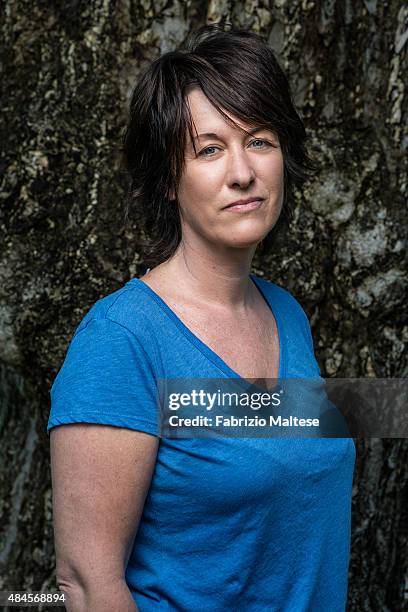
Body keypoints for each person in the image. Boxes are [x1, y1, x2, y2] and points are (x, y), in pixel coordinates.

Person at [47, 23, 356, 612]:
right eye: (209, 149)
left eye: (259, 140)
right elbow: (87, 585)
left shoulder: (286, 315)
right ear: (168, 180)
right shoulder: (122, 340)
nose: (242, 172)